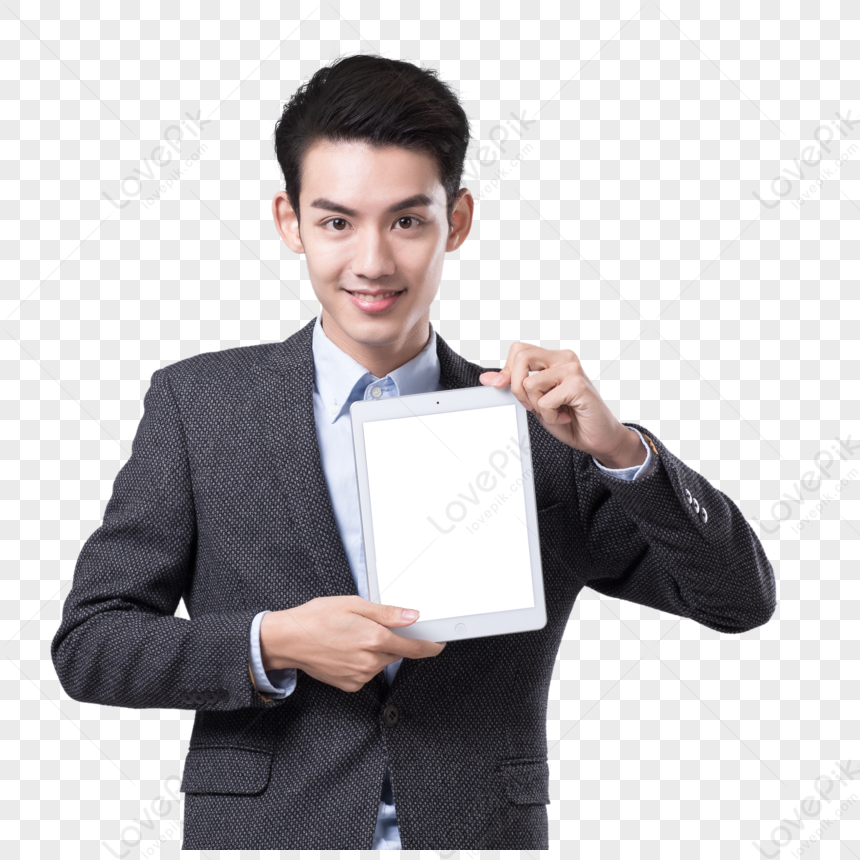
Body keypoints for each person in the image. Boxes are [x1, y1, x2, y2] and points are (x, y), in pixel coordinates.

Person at [52, 54, 777, 850]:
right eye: (336, 221)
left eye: (406, 220)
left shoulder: (541, 425)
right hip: (263, 830)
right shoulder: (200, 407)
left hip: (476, 831)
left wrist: (620, 449)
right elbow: (92, 643)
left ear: (456, 220)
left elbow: (737, 601)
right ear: (289, 221)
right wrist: (271, 642)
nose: (371, 261)